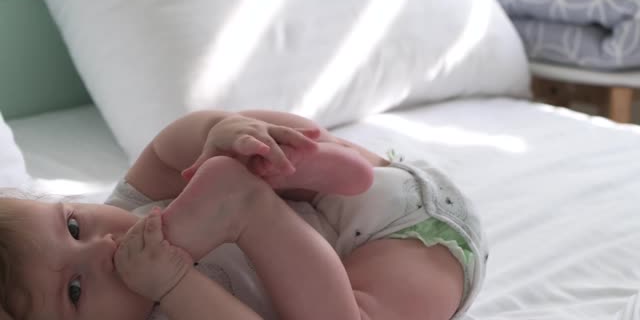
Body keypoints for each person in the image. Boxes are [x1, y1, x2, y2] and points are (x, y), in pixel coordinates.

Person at [0, 110, 487, 320]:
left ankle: (280, 162)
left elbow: (168, 147)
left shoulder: (125, 209)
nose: (103, 248)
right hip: (413, 248)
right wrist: (172, 286)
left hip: (359, 192)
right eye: (76, 290)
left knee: (232, 141)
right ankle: (262, 194)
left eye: (72, 226)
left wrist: (221, 133)